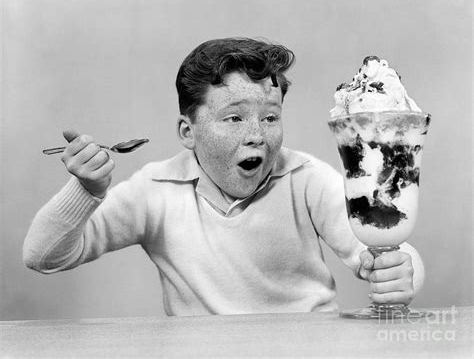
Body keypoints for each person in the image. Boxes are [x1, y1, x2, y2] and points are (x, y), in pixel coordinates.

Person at [24, 38, 423, 316]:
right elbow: (43, 257)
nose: (256, 135)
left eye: (270, 117)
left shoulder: (306, 178)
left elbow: (380, 252)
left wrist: (403, 272)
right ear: (188, 131)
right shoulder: (155, 191)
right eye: (234, 118)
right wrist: (85, 190)